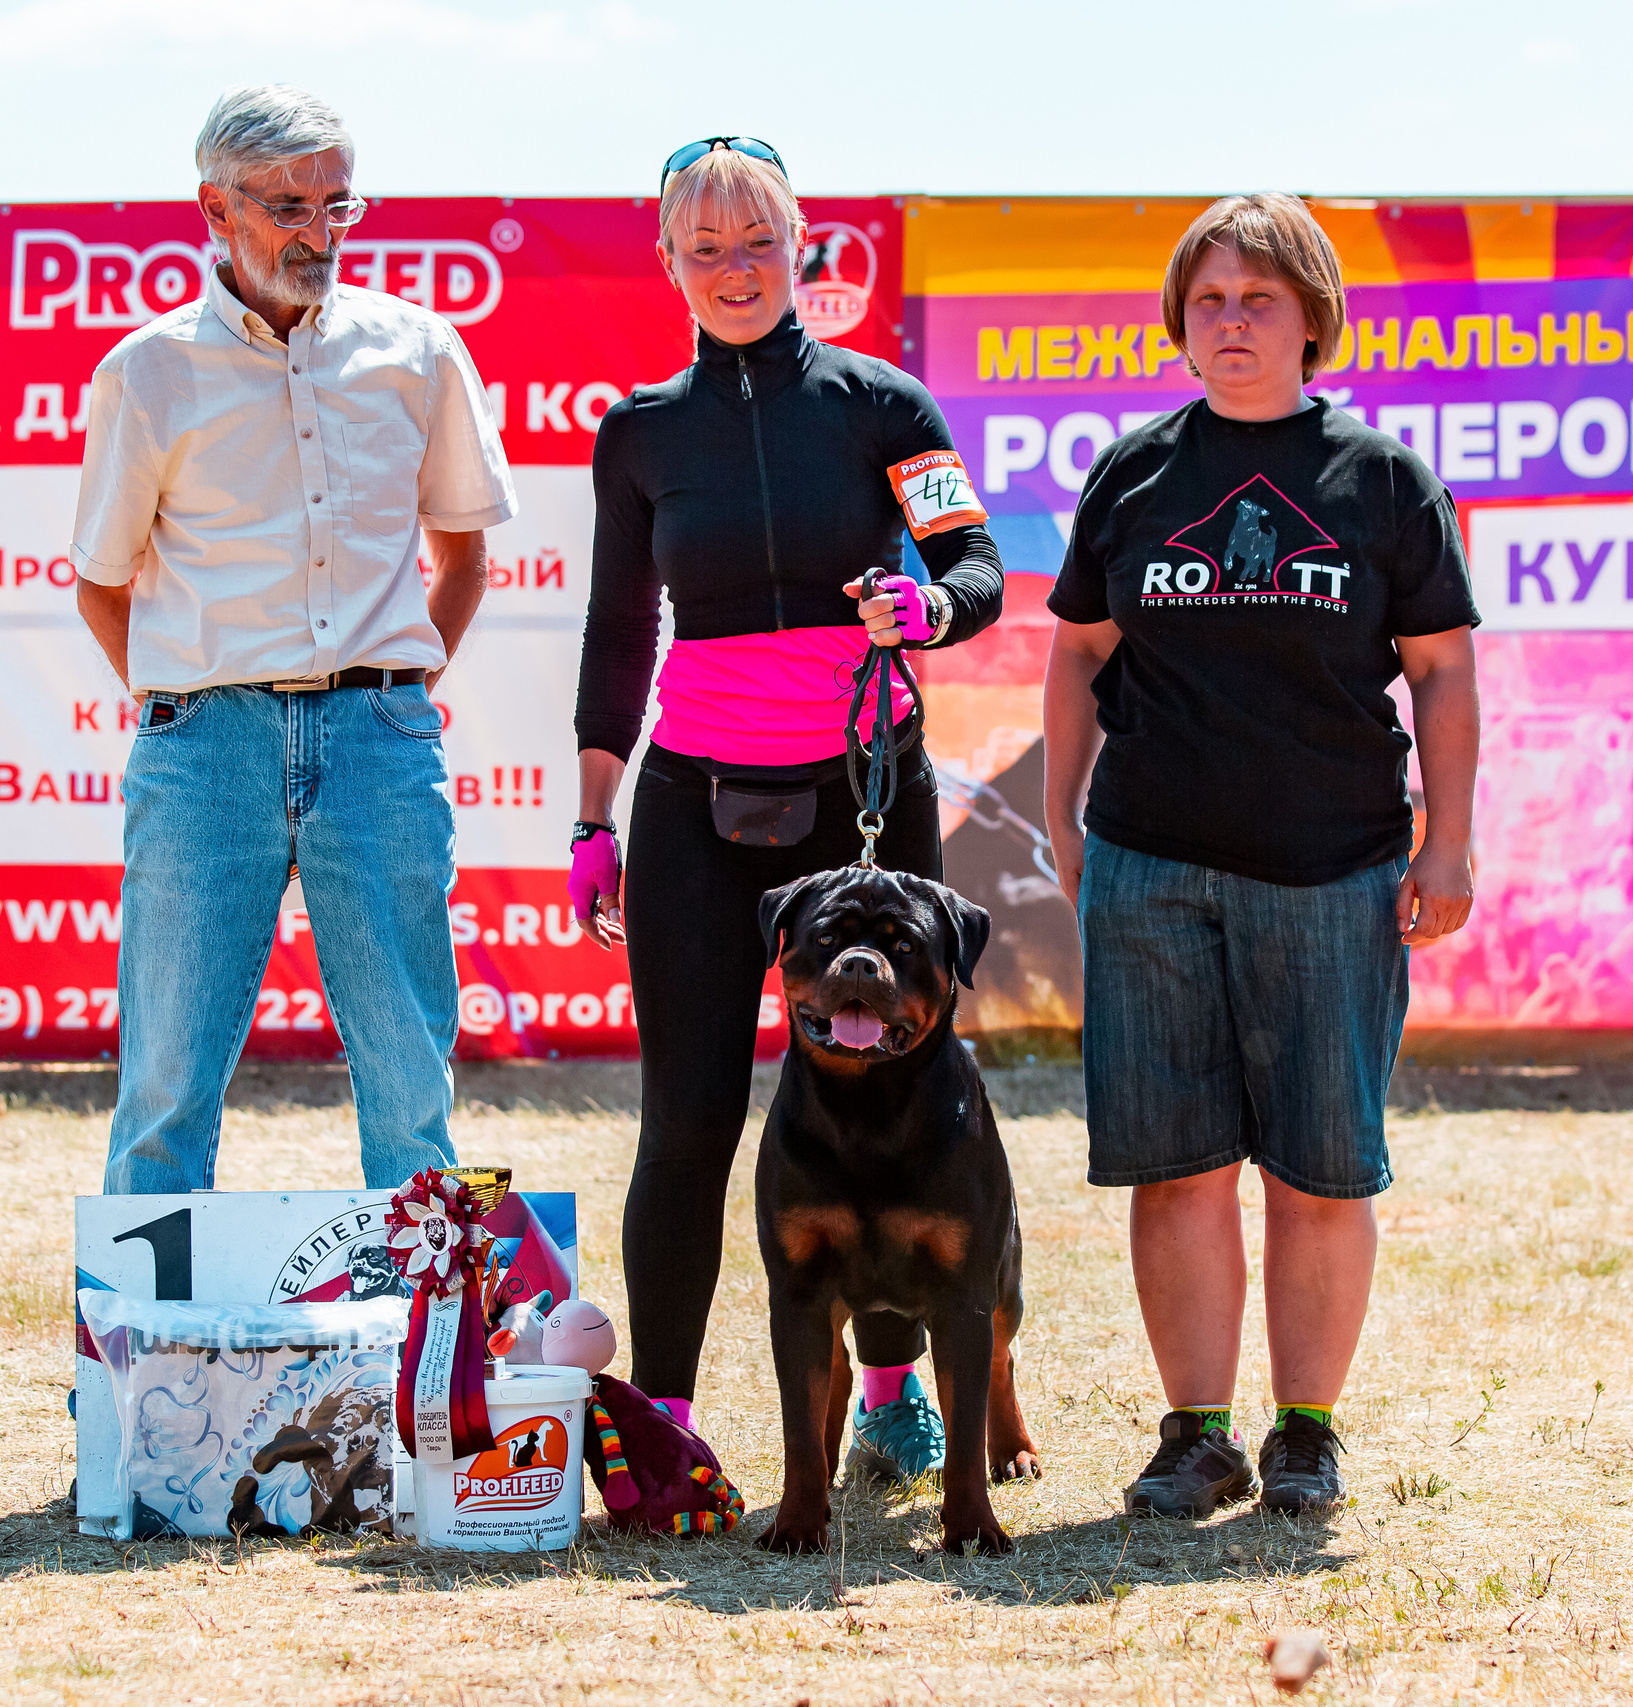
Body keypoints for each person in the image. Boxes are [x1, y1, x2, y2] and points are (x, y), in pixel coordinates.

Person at [567, 140, 1004, 1479]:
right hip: (695, 807)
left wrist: (927, 607)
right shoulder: (640, 430)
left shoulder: (885, 406)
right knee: (688, 1120)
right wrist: (593, 818)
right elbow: (617, 630)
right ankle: (665, 1425)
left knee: (897, 1102)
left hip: (863, 797)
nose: (735, 269)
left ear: (800, 244)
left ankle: (887, 1392)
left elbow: (975, 564)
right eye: (705, 247)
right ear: (669, 262)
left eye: (757, 242)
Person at [1041, 194, 1480, 1518]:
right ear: (1180, 322)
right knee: (1175, 1167)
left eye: (1259, 299)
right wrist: (1062, 821)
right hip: (1150, 866)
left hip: (1333, 870)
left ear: (1310, 320)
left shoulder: (1381, 479)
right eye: (1210, 300)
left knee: (1318, 1169)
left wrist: (1448, 842)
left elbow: (1443, 670)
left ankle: (1305, 1434)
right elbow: (1077, 650)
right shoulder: (1132, 473)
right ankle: (1195, 1435)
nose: (1231, 322)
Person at [71, 86, 517, 1193]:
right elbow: (101, 585)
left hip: (379, 740)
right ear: (214, 209)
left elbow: (463, 560)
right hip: (202, 748)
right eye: (288, 207)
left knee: (411, 1078)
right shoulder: (147, 372)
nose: (319, 232)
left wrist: (393, 695)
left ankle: (425, 1308)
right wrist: (188, 704)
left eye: (338, 204)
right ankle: (139, 1308)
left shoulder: (419, 351)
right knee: (165, 1079)